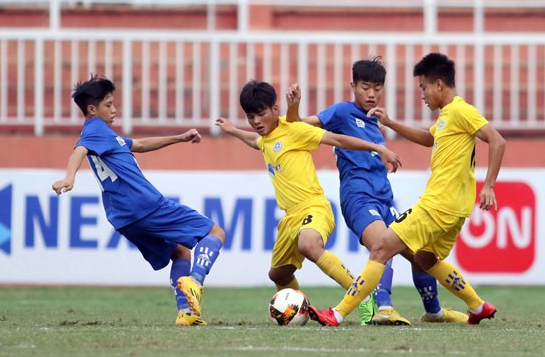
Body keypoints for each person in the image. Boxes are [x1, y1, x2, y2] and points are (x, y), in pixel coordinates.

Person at [306, 53, 506, 326]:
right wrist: (390, 123)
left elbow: (497, 141)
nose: (421, 95)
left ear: (438, 84)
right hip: (451, 207)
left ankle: (342, 313)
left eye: (423, 88)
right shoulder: (448, 116)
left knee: (382, 247)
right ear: (353, 86)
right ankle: (476, 306)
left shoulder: (460, 111)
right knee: (423, 257)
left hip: (437, 204)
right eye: (366, 87)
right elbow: (428, 138)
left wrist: (490, 185)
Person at [215, 79, 402, 314]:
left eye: (260, 114)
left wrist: (378, 148)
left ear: (275, 110)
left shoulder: (295, 131)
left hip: (314, 208)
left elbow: (338, 139)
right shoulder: (266, 138)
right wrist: (232, 130)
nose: (255, 122)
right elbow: (258, 142)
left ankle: (363, 297)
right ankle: (295, 311)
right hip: (290, 218)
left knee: (308, 244)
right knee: (278, 274)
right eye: (250, 116)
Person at [52, 76, 225, 327]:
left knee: (180, 252)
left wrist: (180, 137)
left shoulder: (107, 137)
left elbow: (140, 144)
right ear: (92, 109)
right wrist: (69, 177)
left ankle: (186, 312)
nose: (114, 109)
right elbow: (79, 149)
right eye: (108, 104)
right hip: (146, 205)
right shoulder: (95, 131)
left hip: (125, 219)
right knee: (215, 232)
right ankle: (195, 282)